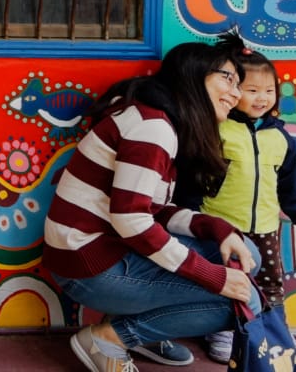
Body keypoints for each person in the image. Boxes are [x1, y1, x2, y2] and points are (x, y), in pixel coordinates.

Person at [43, 40, 262, 372]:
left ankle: (136, 331)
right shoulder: (153, 127)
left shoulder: (161, 120)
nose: (236, 93)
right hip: (90, 265)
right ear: (193, 76)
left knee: (244, 255)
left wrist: (218, 229)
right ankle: (111, 338)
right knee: (239, 299)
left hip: (105, 251)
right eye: (228, 78)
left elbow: (152, 210)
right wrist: (212, 276)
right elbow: (132, 220)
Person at [179, 35, 296, 364]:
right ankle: (223, 330)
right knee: (225, 280)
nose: (261, 98)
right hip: (224, 226)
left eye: (269, 91)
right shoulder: (218, 129)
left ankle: (276, 334)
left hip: (266, 227)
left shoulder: (280, 136)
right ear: (233, 90)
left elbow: (292, 184)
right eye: (252, 90)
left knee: (269, 283)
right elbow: (195, 176)